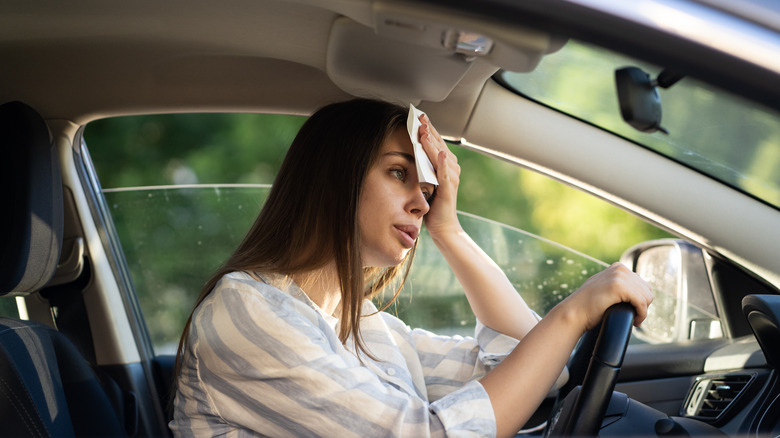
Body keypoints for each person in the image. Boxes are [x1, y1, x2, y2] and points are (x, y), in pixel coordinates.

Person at [170, 98, 653, 437]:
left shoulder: (363, 326)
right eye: (399, 173)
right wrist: (572, 313)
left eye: (428, 192)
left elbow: (532, 368)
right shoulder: (245, 310)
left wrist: (451, 231)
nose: (422, 205)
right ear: (335, 177)